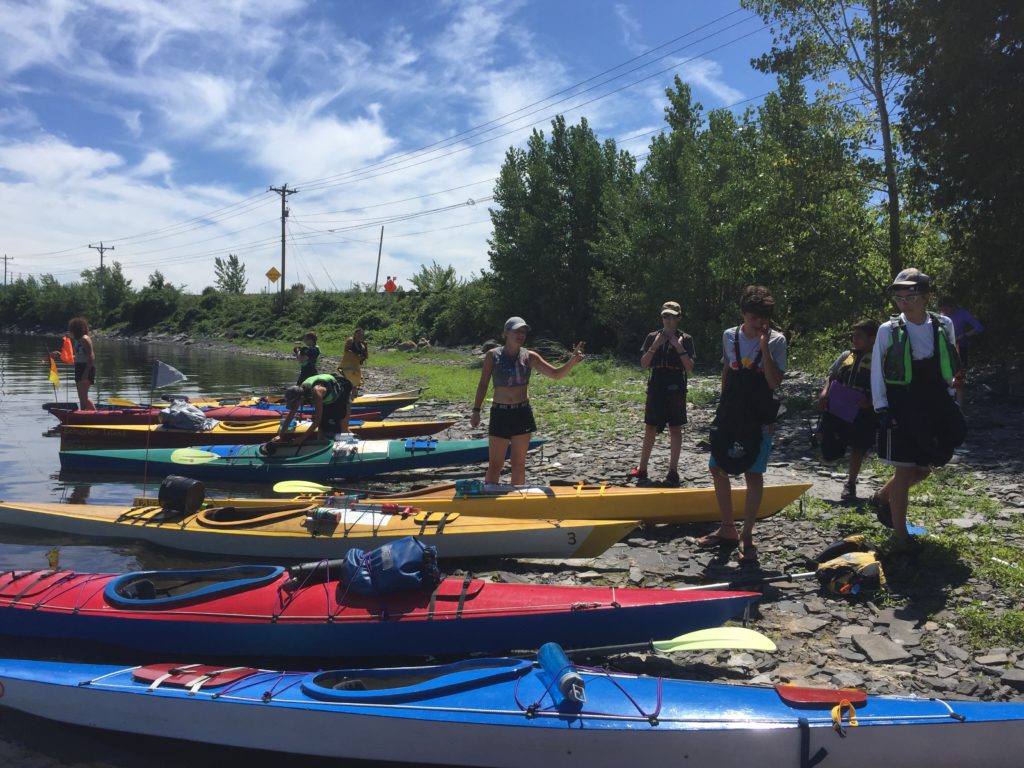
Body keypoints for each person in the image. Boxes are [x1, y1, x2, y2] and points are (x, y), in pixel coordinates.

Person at [870, 268, 965, 551]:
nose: (903, 301)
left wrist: (951, 395)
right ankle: (901, 537)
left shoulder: (943, 323)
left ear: (925, 297)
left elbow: (949, 359)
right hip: (903, 401)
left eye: (909, 295)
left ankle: (881, 497)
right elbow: (878, 369)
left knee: (923, 468)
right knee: (904, 469)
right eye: (899, 296)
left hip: (935, 398)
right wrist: (882, 407)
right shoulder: (888, 330)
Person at [699, 286, 787, 564]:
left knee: (753, 473)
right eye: (753, 316)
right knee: (717, 466)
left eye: (763, 317)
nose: (758, 322)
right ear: (743, 314)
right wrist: (721, 409)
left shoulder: (777, 341)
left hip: (759, 417)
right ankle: (727, 527)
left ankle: (746, 535)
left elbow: (774, 383)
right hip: (731, 413)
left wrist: (763, 347)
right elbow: (728, 370)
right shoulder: (729, 335)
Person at [469, 317, 584, 485]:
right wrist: (476, 411)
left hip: (521, 413)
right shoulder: (492, 356)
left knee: (518, 464)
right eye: (517, 331)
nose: (521, 335)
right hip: (500, 413)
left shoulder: (529, 356)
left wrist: (572, 362)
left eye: (523, 332)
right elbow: (483, 384)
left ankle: (517, 501)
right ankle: (489, 499)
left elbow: (556, 374)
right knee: (495, 464)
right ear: (506, 333)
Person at [629, 301, 696, 487]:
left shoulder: (686, 339)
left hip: (676, 381)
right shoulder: (652, 336)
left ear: (679, 318)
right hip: (657, 381)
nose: (669, 320)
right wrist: (656, 345)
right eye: (666, 316)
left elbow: (690, 368)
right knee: (650, 426)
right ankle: (642, 468)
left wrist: (677, 346)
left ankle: (673, 471)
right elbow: (643, 364)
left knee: (675, 427)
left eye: (673, 316)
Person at [815, 319, 879, 501]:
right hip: (838, 407)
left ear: (872, 338)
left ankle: (850, 483)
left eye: (859, 336)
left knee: (858, 447)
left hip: (863, 410)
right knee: (829, 451)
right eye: (853, 335)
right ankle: (831, 450)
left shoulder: (879, 358)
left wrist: (870, 401)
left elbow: (884, 386)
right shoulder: (846, 355)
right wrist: (824, 393)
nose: (855, 339)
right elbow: (832, 376)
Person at [272, 373, 352, 446]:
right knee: (322, 429)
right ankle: (321, 448)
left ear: (301, 398)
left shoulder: (317, 392)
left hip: (342, 394)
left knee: (343, 427)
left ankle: (354, 443)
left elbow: (317, 420)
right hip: (326, 399)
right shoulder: (299, 392)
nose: (296, 406)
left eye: (295, 404)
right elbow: (291, 415)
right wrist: (280, 435)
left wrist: (302, 438)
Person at [937, 297, 984, 407]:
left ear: (953, 306)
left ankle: (960, 406)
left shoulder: (962, 314)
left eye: (948, 308)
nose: (946, 311)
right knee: (944, 376)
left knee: (958, 376)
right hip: (945, 349)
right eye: (943, 309)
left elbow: (979, 327)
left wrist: (964, 335)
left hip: (959, 347)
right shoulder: (940, 316)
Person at [52, 317, 95, 410]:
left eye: (71, 329)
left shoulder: (85, 338)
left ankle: (87, 417)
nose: (70, 331)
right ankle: (92, 415)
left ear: (76, 329)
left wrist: (86, 372)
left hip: (85, 368)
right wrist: (60, 355)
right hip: (79, 367)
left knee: (83, 398)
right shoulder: (78, 341)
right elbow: (78, 357)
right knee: (82, 398)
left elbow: (91, 356)